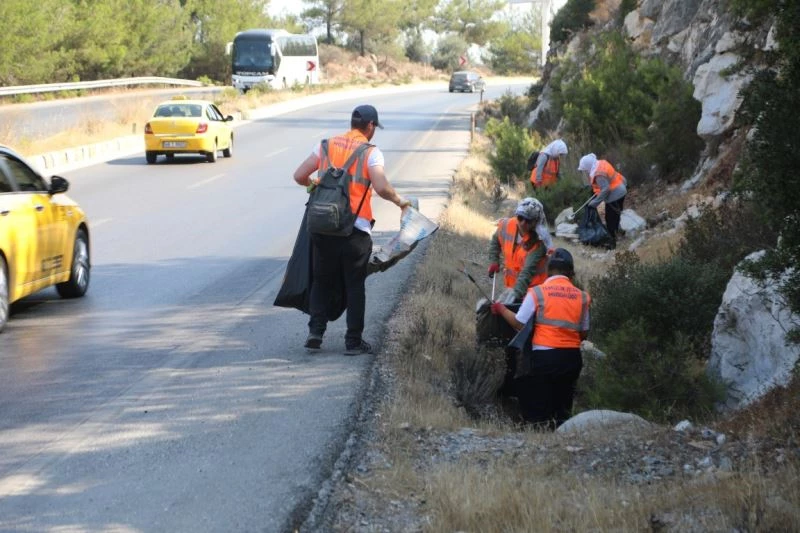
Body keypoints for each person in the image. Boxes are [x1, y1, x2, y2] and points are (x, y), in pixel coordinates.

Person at [292, 104, 411, 355]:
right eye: (374, 128)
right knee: (354, 285)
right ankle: (353, 341)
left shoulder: (326, 145)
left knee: (321, 280)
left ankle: (315, 332)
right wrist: (400, 201)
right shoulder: (371, 152)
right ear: (369, 126)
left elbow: (299, 175)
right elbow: (380, 186)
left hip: (323, 227)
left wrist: (314, 187)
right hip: (355, 230)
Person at [490, 248, 590, 429]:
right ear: (571, 272)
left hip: (545, 358)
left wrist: (501, 309)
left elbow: (519, 323)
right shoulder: (582, 297)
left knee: (540, 407)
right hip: (572, 360)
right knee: (563, 406)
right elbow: (584, 333)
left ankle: (539, 436)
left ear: (547, 270)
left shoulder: (537, 292)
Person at [487, 197, 554, 302]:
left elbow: (527, 271)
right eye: (520, 217)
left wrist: (515, 295)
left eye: (528, 220)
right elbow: (496, 240)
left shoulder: (539, 242)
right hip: (514, 287)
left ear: (536, 221)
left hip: (535, 291)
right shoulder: (507, 225)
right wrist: (494, 261)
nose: (523, 223)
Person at [577, 153, 627, 249]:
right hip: (620, 188)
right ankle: (619, 231)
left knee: (610, 219)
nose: (586, 171)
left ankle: (612, 243)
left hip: (615, 195)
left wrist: (594, 203)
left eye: (585, 169)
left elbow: (606, 189)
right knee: (615, 215)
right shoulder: (600, 163)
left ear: (588, 166)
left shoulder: (598, 174)